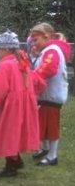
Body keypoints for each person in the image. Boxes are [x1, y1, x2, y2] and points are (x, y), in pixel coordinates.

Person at [0, 30, 46, 177]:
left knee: (8, 133)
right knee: (16, 133)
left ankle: (11, 166)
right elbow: (36, 81)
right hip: (23, 105)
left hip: (10, 107)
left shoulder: (5, 65)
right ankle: (16, 160)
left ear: (7, 49)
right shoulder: (22, 62)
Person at [30, 22, 70, 166]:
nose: (34, 43)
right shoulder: (49, 50)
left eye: (36, 40)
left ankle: (52, 156)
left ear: (46, 36)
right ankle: (45, 149)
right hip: (48, 95)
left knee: (51, 126)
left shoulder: (52, 50)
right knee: (44, 123)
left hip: (51, 96)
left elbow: (48, 69)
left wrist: (31, 79)